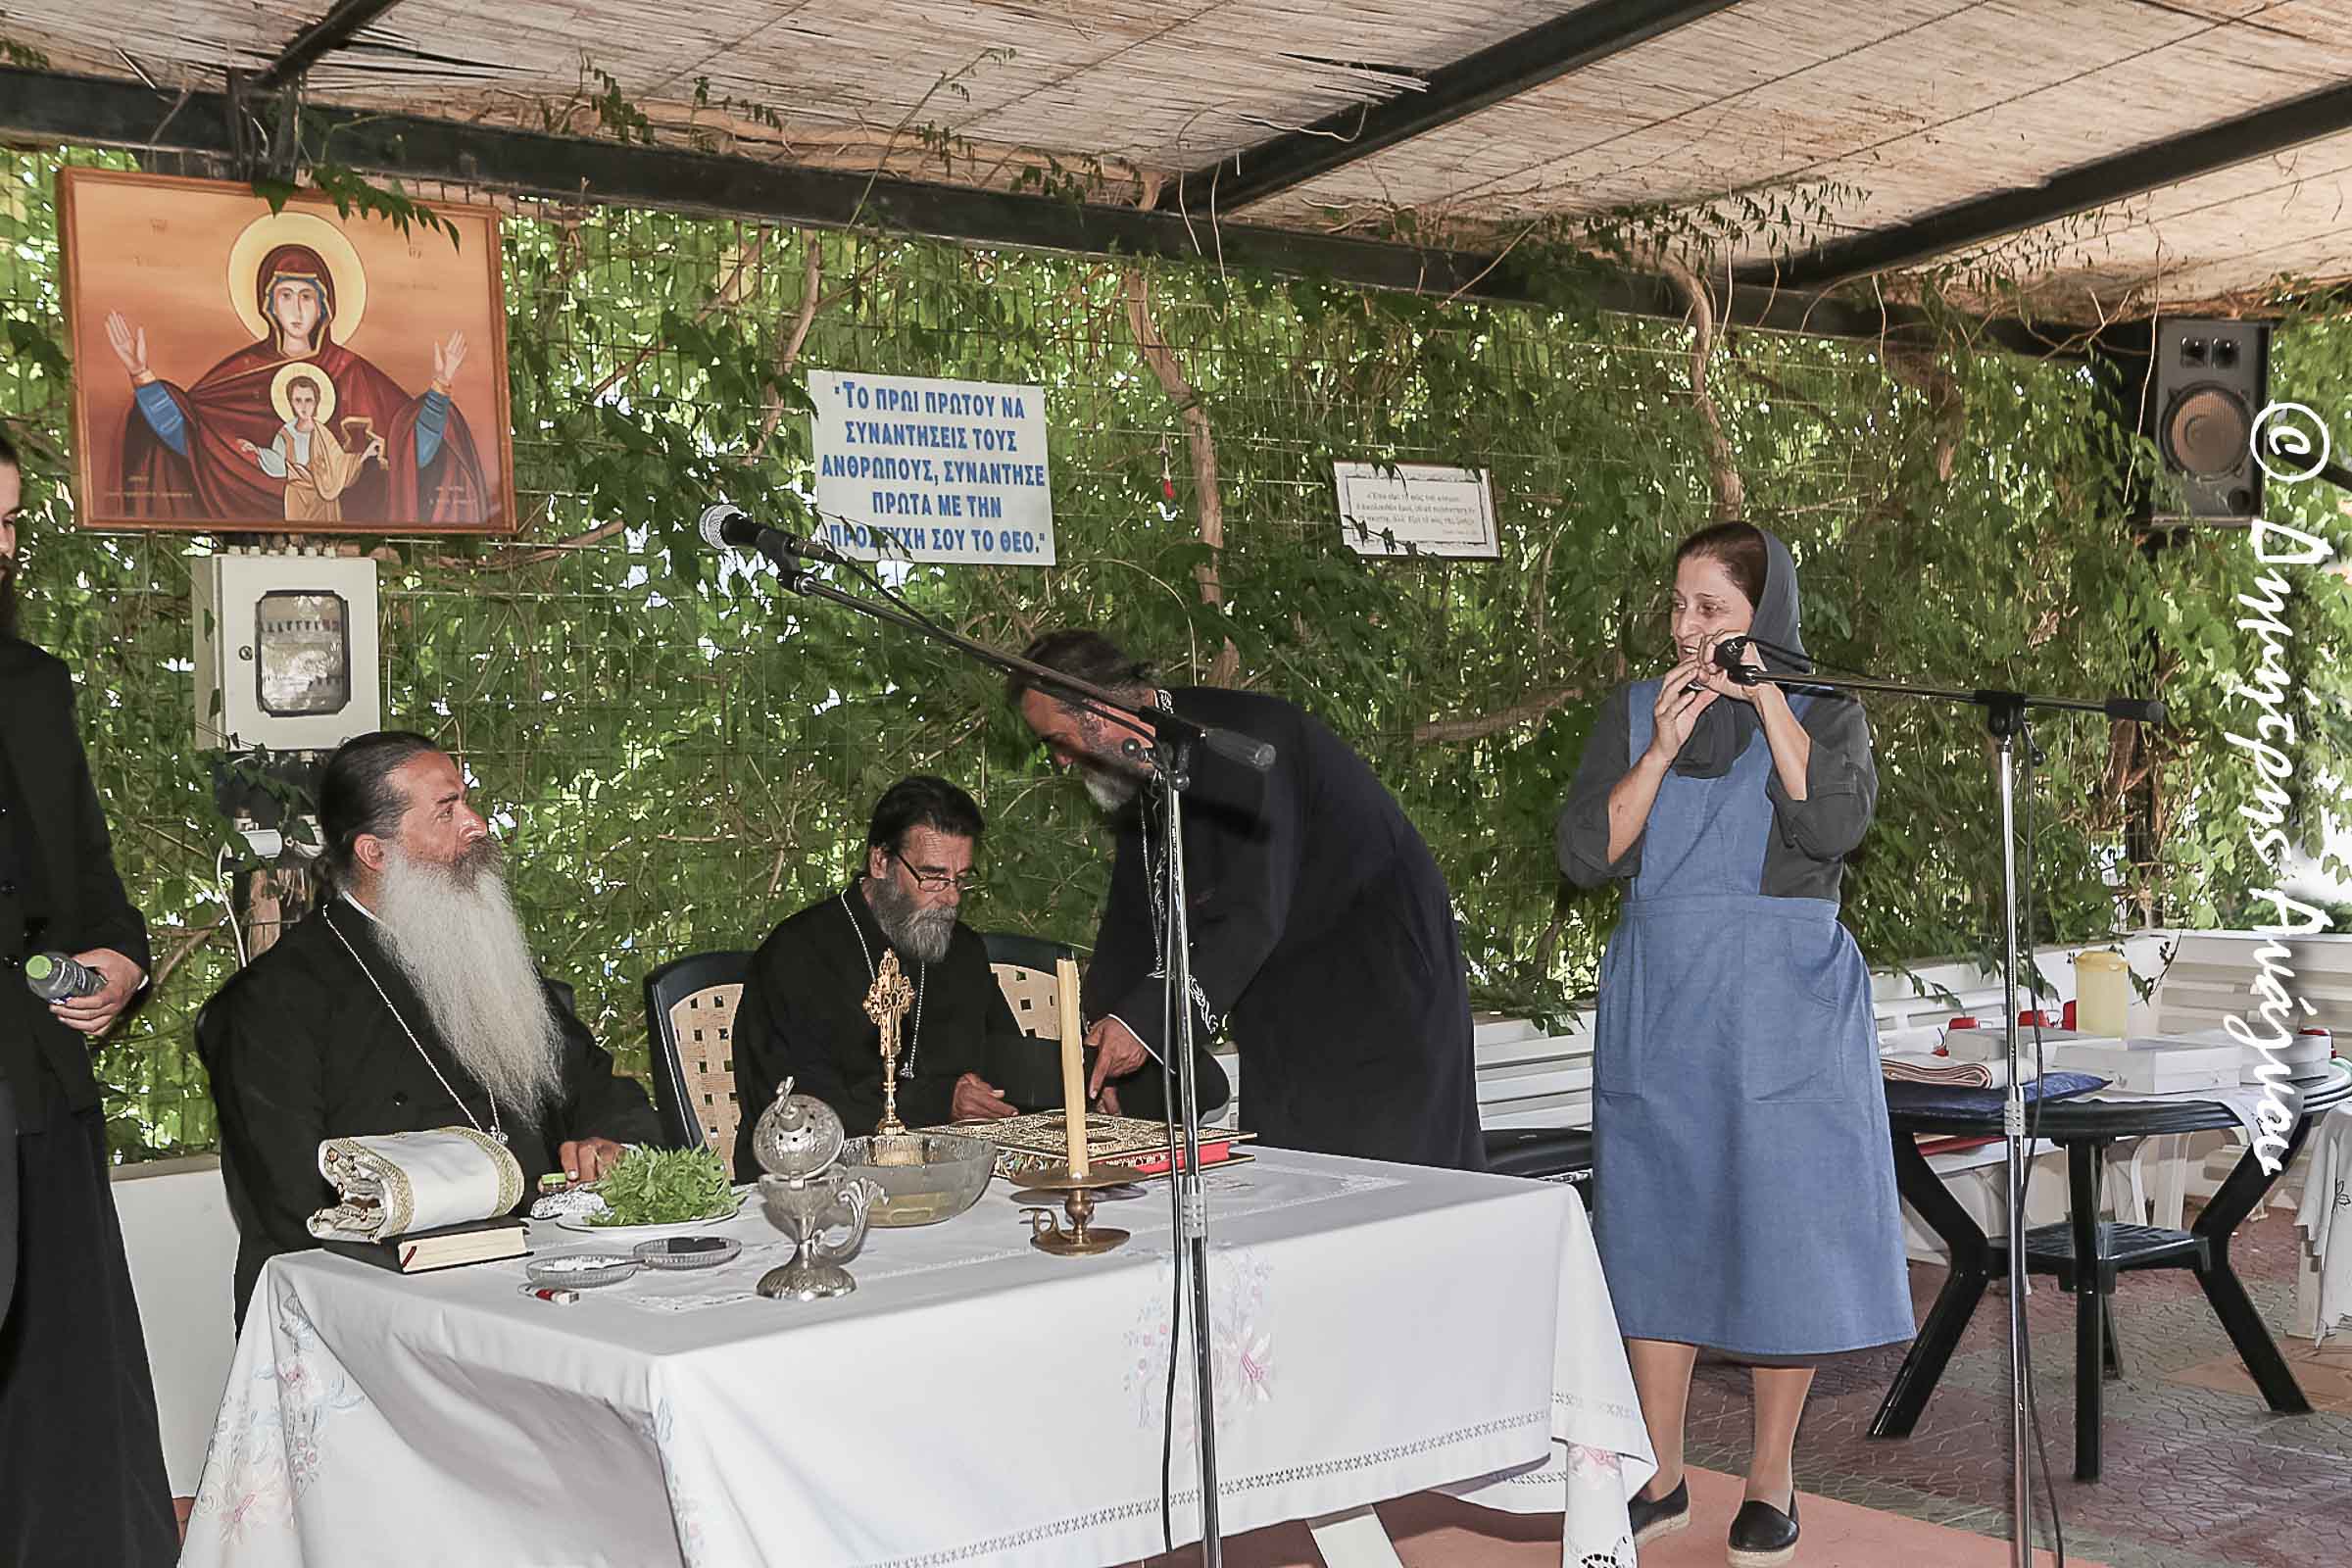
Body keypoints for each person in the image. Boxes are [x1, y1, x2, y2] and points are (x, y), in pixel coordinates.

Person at [1556, 521, 1910, 1565]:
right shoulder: (1636, 711)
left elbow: (1831, 828)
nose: (1687, 626)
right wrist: (1660, 751)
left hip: (1784, 1010)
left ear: (1765, 616)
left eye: (1711, 607)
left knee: (1783, 1231)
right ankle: (1659, 1474)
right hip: (1662, 998)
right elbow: (1585, 856)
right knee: (1653, 1225)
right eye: (1679, 605)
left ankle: (1770, 1479)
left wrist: (1767, 700)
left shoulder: (1826, 712)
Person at [198, 731, 661, 1326]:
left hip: (530, 1271)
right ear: (375, 853)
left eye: (467, 802)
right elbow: (297, 1201)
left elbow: (595, 1085)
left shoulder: (485, 956)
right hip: (371, 1299)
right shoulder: (272, 1001)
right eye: (448, 811)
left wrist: (609, 1142)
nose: (478, 825)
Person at [1008, 631, 1483, 1169]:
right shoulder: (1142, 769)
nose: (1060, 761)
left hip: (1380, 994)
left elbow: (1250, 913)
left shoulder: (1239, 745)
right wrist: (1103, 1041)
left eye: (1057, 739)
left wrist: (1141, 1026)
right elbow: (1134, 923)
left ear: (1098, 708)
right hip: (1285, 1008)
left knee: (1386, 1185)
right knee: (1292, 1179)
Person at [0, 427, 178, 1565]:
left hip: (36, 1091)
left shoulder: (33, 686)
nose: (0, 549)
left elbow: (91, 886)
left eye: (10, 523)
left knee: (68, 1418)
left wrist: (120, 959)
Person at [732, 776, 1224, 1179]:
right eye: (932, 876)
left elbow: (1005, 1065)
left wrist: (1081, 1088)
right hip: (820, 1184)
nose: (950, 897)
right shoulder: (797, 955)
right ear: (880, 861)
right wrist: (939, 1102)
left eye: (961, 879)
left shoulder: (961, 950)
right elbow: (796, 1107)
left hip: (949, 1176)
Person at [106, 233, 489, 525]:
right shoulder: (239, 373)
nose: (297, 308)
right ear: (269, 305)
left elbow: (409, 452)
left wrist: (439, 390)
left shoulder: (354, 372)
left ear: (323, 306)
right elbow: (196, 442)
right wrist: (143, 377)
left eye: (307, 296)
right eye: (286, 295)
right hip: (255, 529)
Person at [235, 368, 381, 523]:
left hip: (323, 497)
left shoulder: (322, 433)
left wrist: (365, 454)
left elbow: (338, 463)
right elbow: (279, 464)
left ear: (316, 402)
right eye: (298, 400)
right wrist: (257, 451)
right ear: (290, 402)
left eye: (308, 400)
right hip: (297, 497)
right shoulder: (285, 434)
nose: (303, 406)